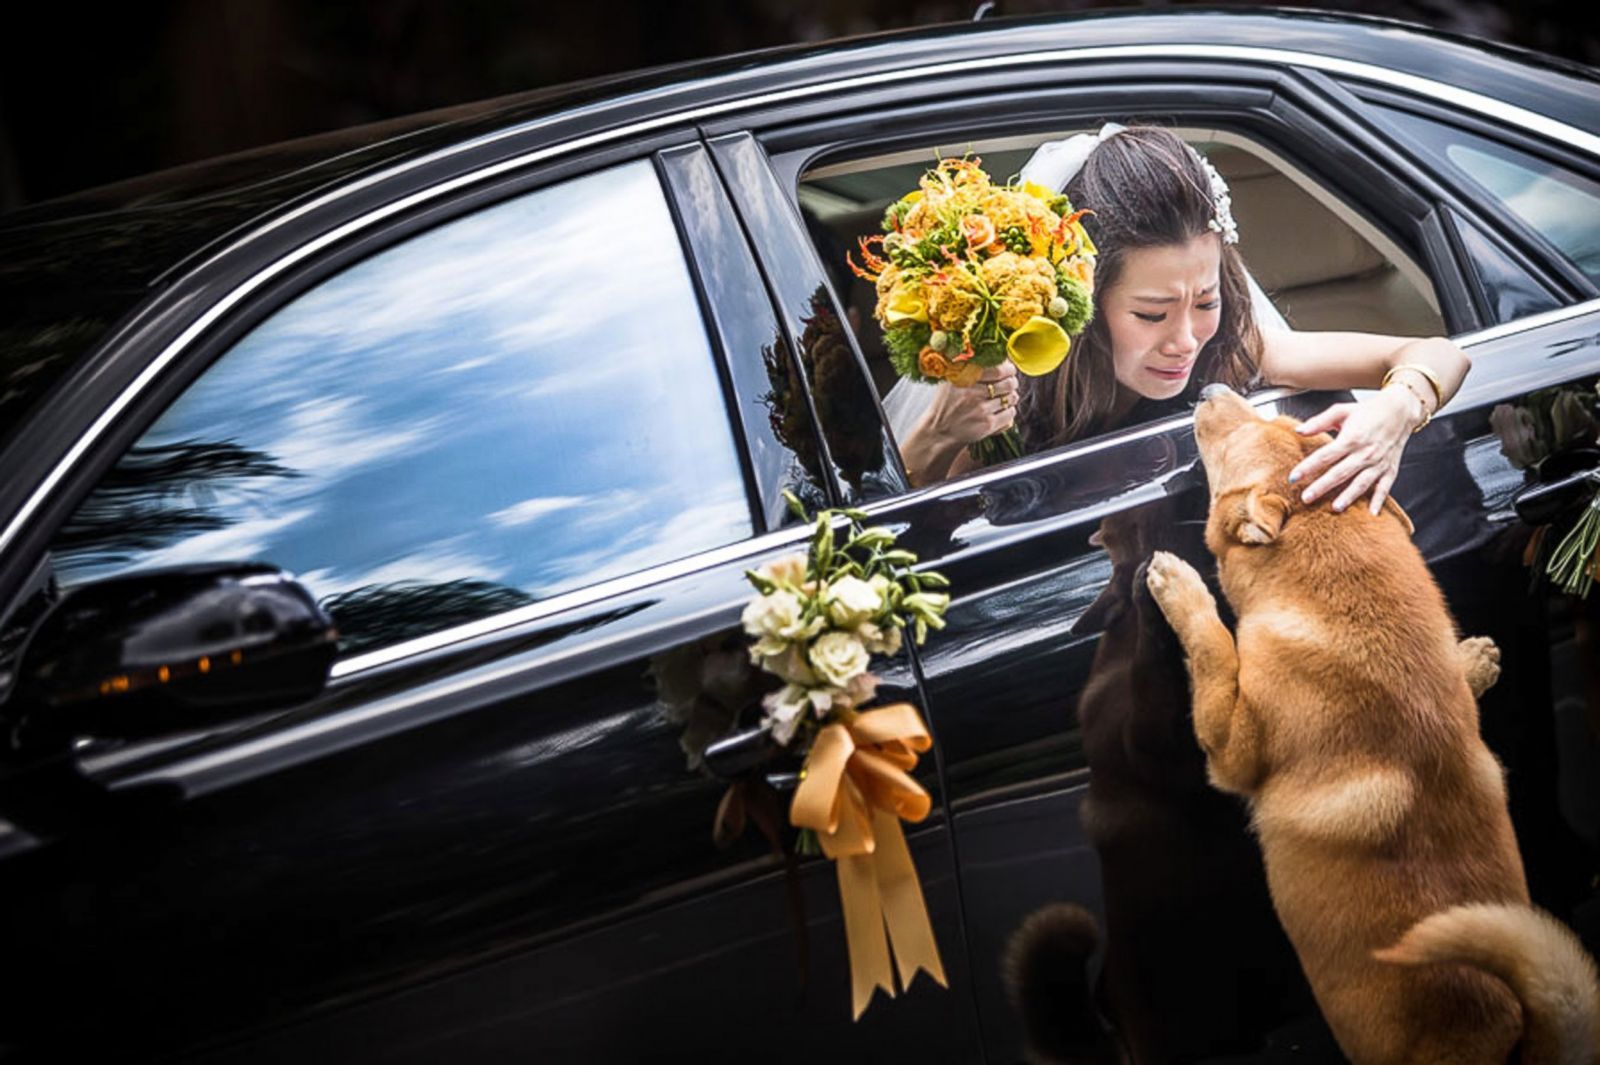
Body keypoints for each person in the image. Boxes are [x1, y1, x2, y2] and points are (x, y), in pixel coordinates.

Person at [892, 124, 1470, 517]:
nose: (1187, 340)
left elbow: (1437, 354)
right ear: (1086, 308)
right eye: (1151, 313)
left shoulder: (1234, 346)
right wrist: (938, 436)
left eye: (1205, 301)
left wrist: (1396, 412)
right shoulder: (1007, 398)